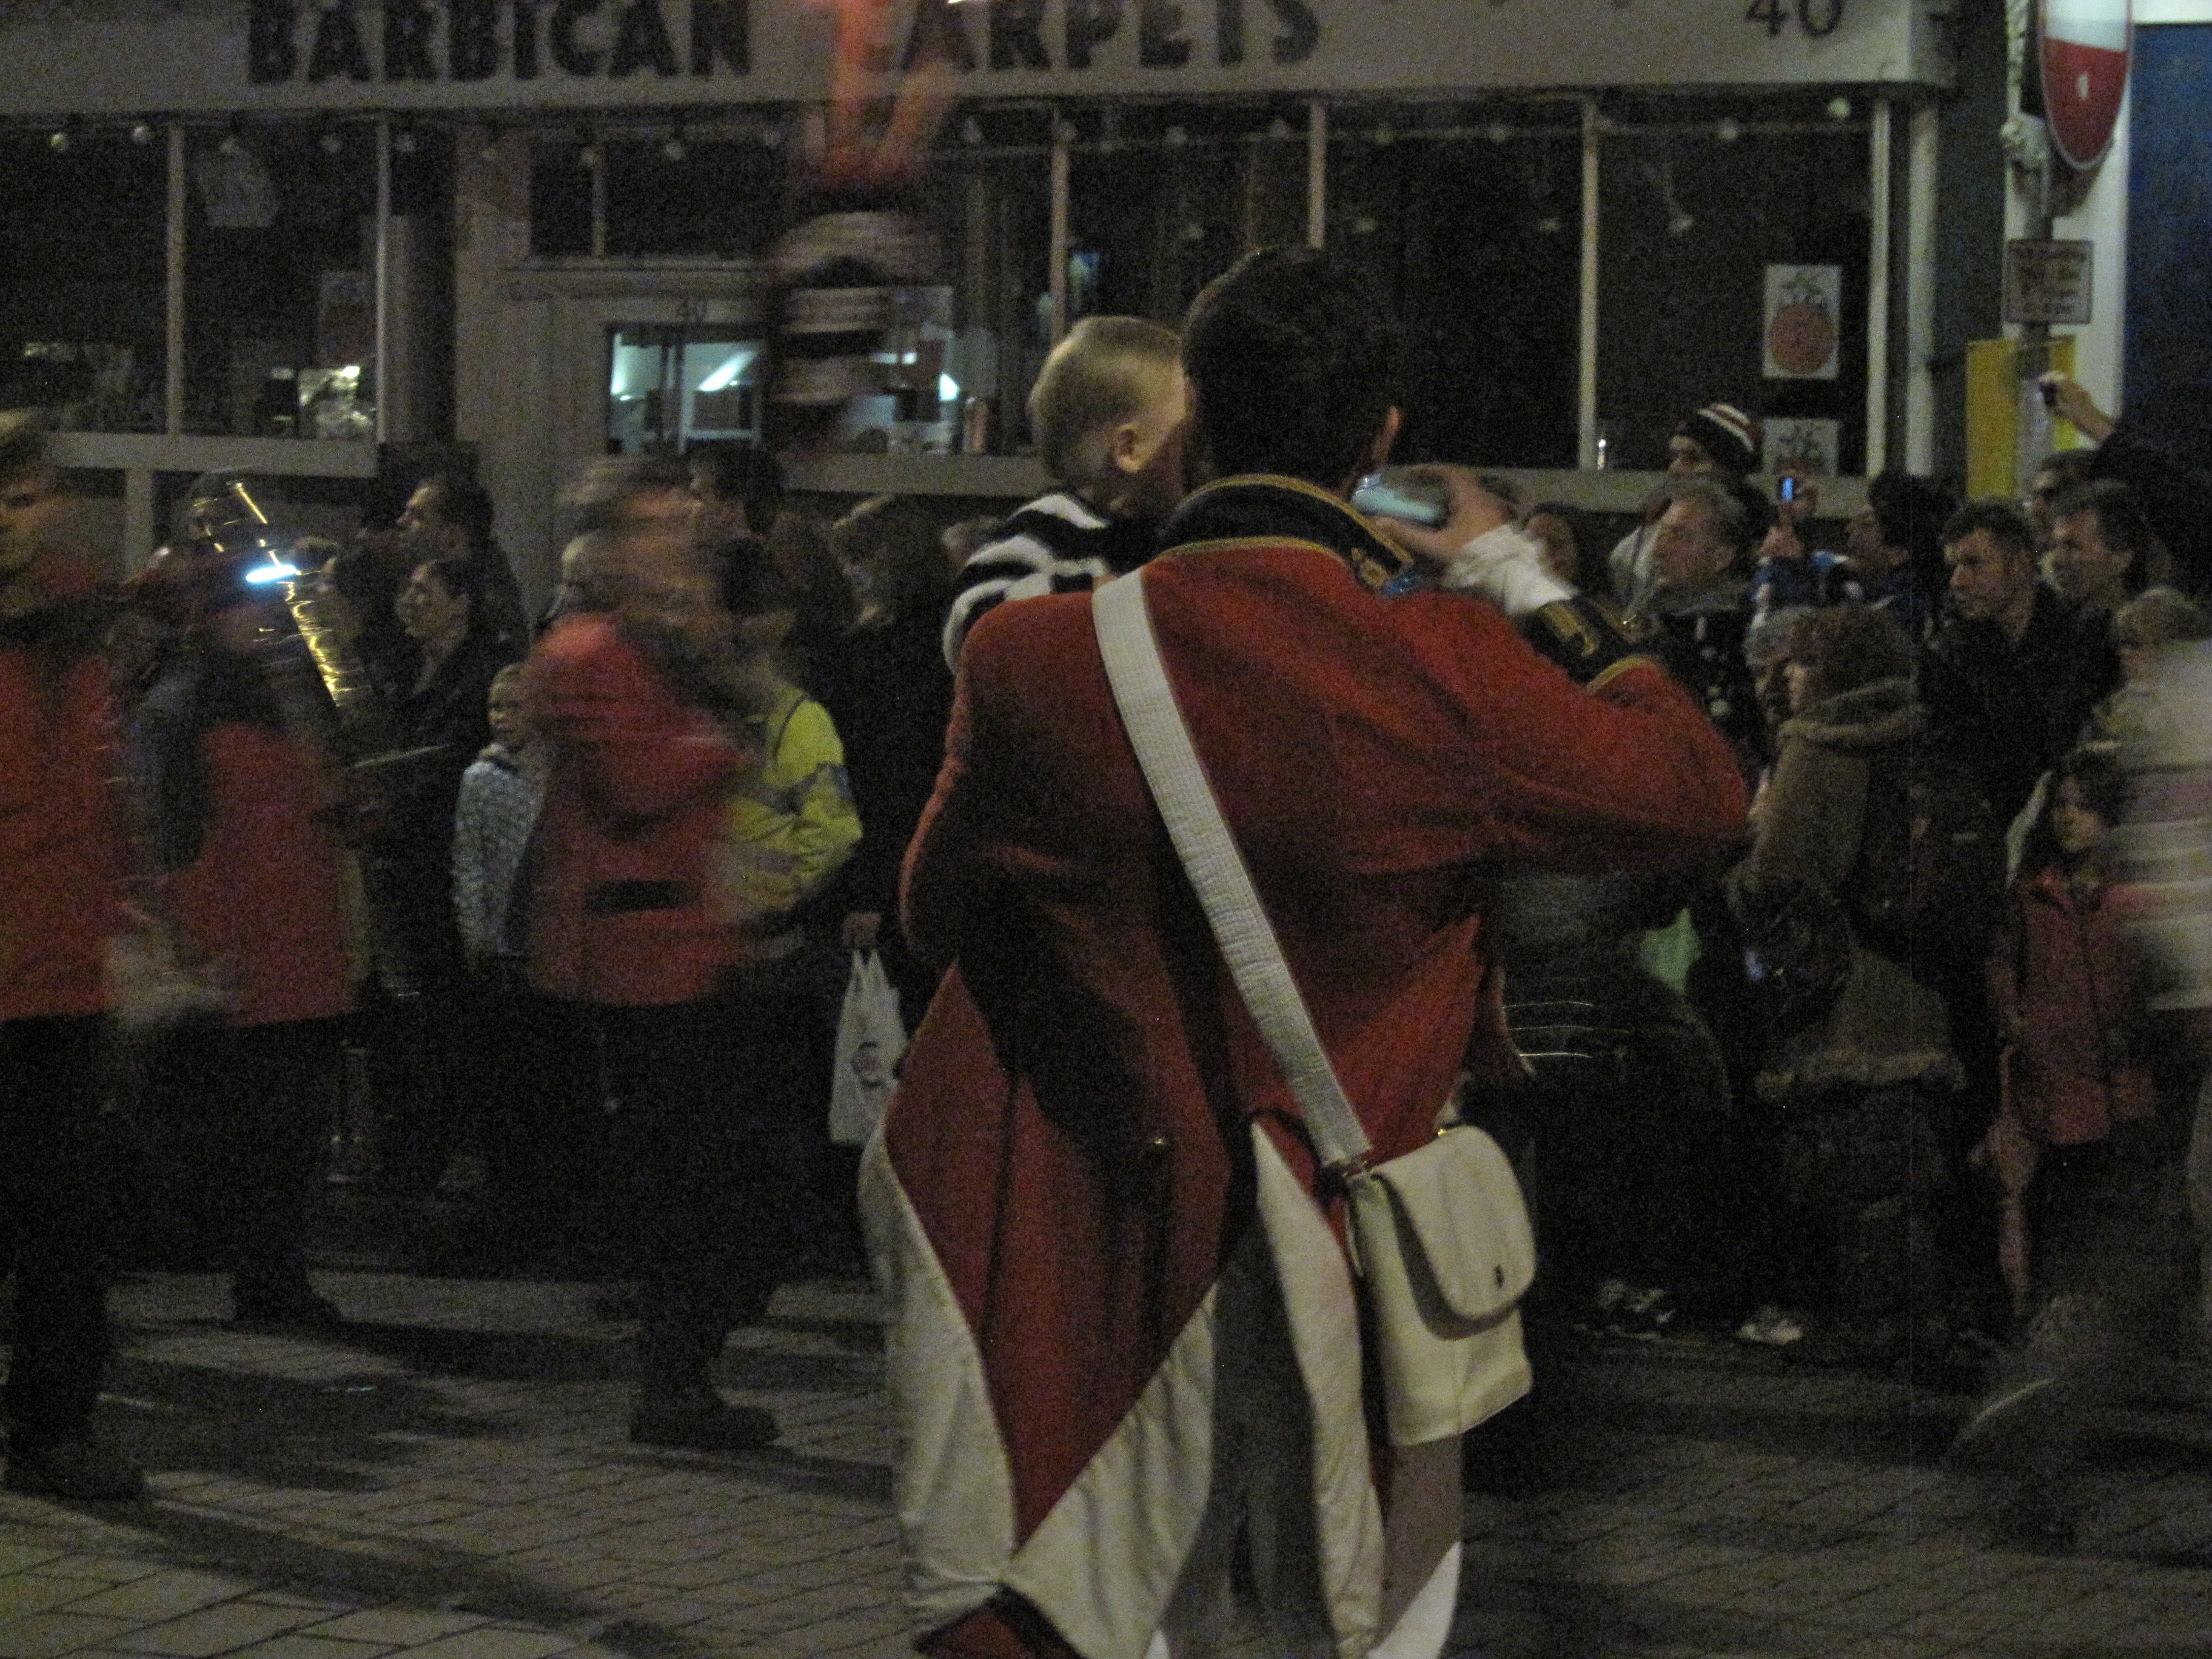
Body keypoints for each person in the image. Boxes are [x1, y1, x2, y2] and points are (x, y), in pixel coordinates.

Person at [866, 246, 1748, 1659]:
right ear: (1382, 439)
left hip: (1099, 1266)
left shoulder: (1033, 657)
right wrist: (1519, 573)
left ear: (1197, 403)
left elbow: (936, 916)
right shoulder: (1443, 667)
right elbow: (1695, 789)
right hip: (1341, 1275)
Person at [528, 521, 785, 1452]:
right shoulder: (589, 653)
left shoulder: (647, 653)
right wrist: (720, 739)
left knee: (708, 1174)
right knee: (688, 1177)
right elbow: (638, 785)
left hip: (684, 939)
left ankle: (685, 1372)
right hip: (647, 949)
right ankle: (674, 1383)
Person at [1726, 604, 1963, 1366]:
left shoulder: (1817, 745)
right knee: (1903, 1173)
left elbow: (1777, 881)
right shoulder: (1919, 734)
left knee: (1851, 1173)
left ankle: (1869, 1330)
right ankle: (1917, 1321)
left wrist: (1736, 859)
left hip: (1841, 994)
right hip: (1914, 983)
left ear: (1831, 672)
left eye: (1800, 661)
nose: (1786, 675)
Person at [126, 551, 355, 1330]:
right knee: (255, 1133)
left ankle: (273, 1271)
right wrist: (203, 946)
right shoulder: (186, 707)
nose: (263, 623)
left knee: (287, 1133)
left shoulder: (273, 699)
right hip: (248, 952)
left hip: (296, 946)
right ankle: (262, 1273)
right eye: (244, 610)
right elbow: (176, 841)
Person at [0, 414, 143, 1500]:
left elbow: (98, 799)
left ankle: (53, 1429)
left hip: (56, 979)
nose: (23, 518)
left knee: (66, 1225)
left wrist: (136, 919)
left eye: (33, 495)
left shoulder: (72, 638)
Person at [362, 552, 518, 1198]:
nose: (410, 599)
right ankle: (402, 1162)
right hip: (398, 865)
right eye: (408, 586)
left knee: (443, 1024)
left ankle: (439, 1162)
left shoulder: (480, 676)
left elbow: (448, 763)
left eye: (426, 589)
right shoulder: (401, 671)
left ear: (463, 603)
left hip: (443, 863)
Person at [941, 315, 1187, 665]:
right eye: (1186, 433)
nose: (1200, 448)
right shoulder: (1050, 527)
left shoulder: (1166, 533)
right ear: (1129, 450)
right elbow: (969, 621)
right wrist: (1094, 596)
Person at [1921, 500, 2117, 833]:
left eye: (1974, 564)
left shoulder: (2087, 639)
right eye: (1954, 567)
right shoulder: (1949, 655)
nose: (1958, 581)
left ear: (2021, 563)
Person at [1607, 401, 1765, 609]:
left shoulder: (1762, 541)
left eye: (1693, 458)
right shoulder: (1642, 535)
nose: (1675, 468)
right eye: (1674, 456)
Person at [397, 472, 526, 650]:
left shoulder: (487, 609)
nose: (402, 521)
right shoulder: (434, 579)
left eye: (418, 517)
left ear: (453, 537)